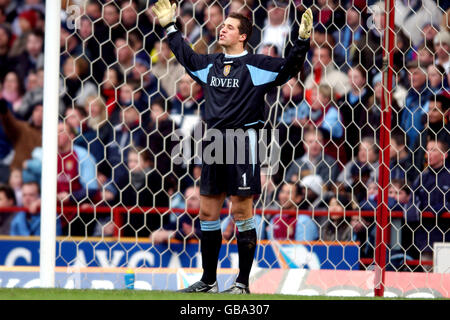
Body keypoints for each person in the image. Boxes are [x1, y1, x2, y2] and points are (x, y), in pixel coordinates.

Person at [151, 0, 312, 293]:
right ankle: (209, 280)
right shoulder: (210, 63)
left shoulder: (257, 65)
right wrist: (170, 26)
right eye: (222, 25)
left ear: (242, 36)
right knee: (208, 213)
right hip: (213, 142)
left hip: (242, 142)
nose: (222, 29)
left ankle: (241, 283)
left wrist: (301, 41)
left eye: (229, 27)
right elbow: (186, 56)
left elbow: (289, 68)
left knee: (241, 211)